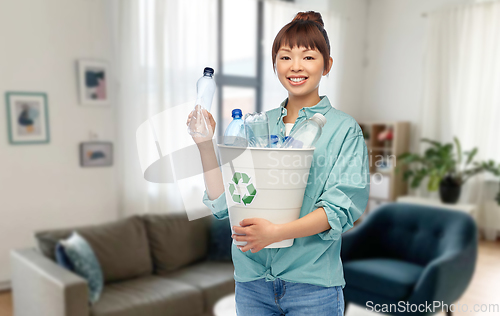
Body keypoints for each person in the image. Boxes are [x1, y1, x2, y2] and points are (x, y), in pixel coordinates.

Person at [186, 11, 369, 316]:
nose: (296, 66)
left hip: (312, 287)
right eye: (285, 57)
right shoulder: (256, 125)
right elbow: (224, 201)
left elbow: (339, 209)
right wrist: (205, 144)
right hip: (251, 284)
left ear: (327, 65)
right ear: (275, 65)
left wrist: (276, 233)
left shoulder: (343, 129)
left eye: (308, 57)